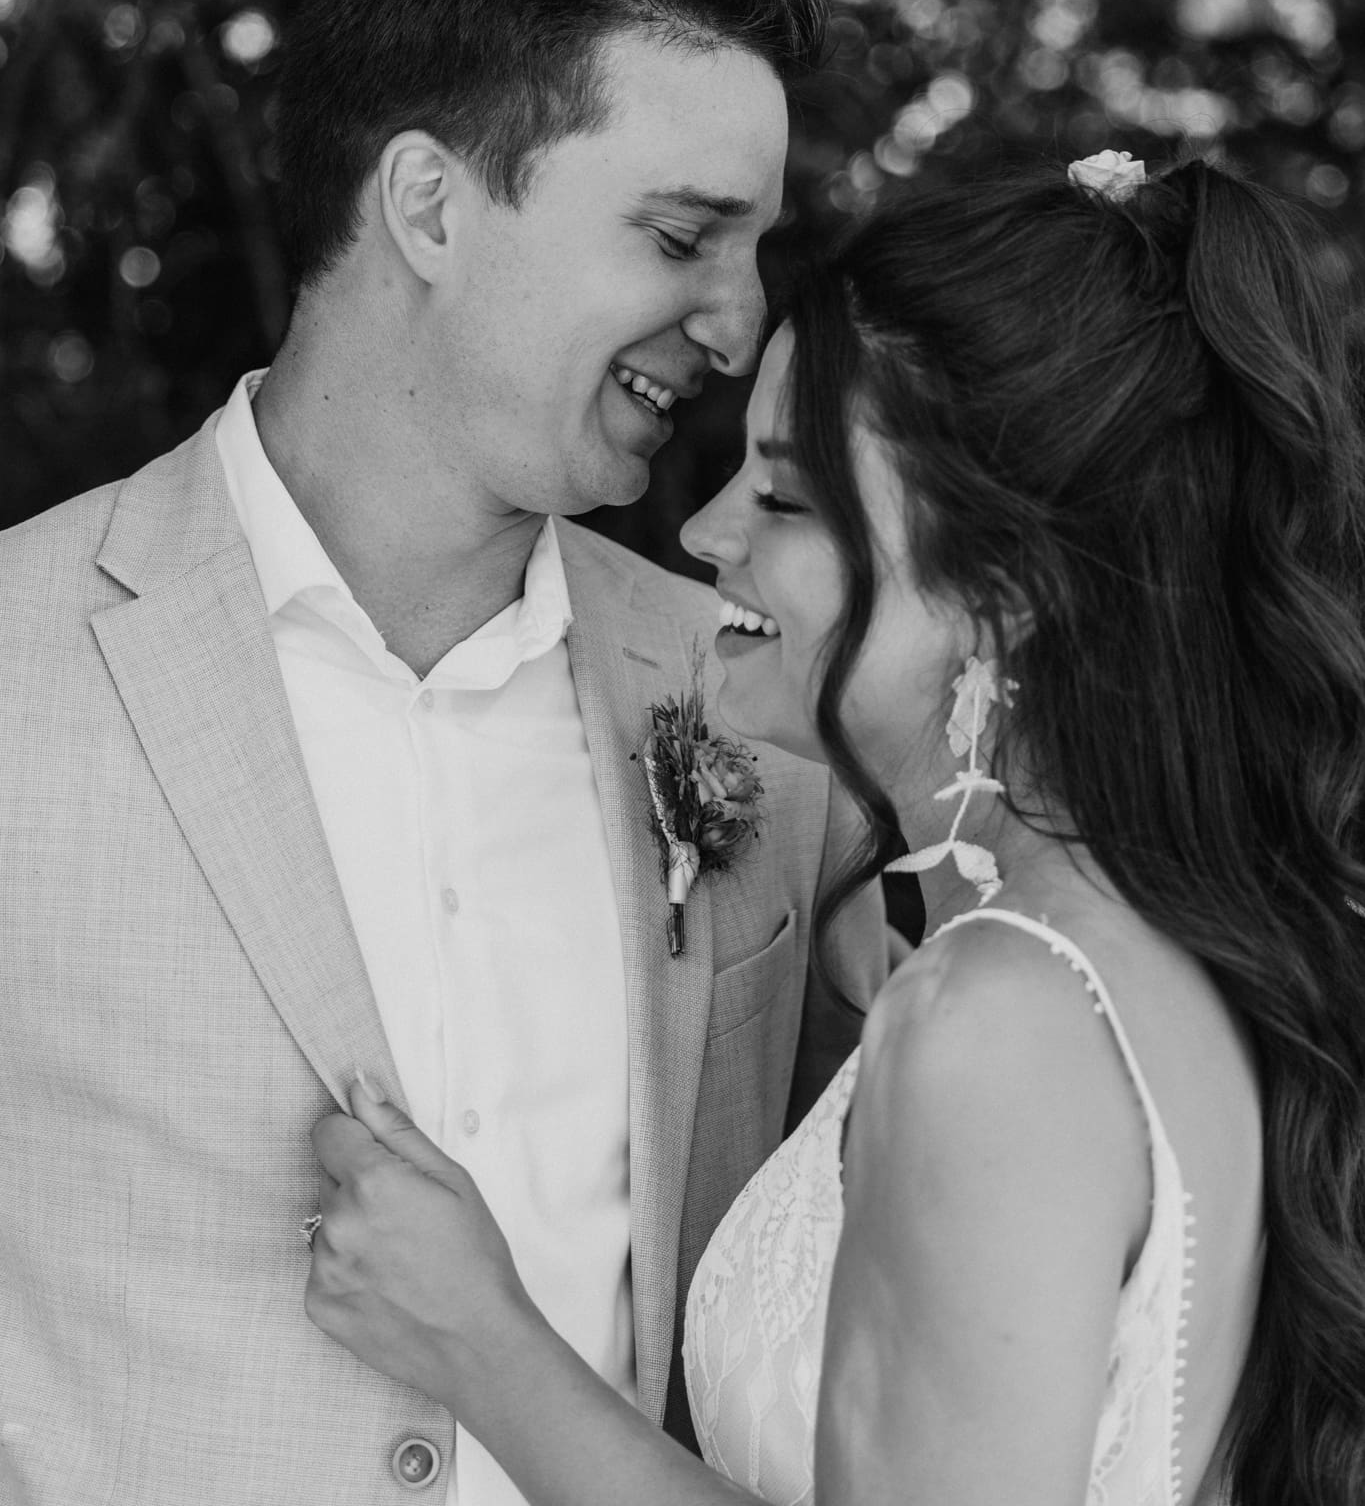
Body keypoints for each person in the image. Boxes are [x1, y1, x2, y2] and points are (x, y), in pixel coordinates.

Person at [0, 0, 887, 1506]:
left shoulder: (769, 704)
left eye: (754, 251)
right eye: (683, 234)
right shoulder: (14, 665)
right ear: (426, 204)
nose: (738, 319)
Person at [303, 150, 1365, 1506]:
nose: (701, 531)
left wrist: (482, 1347)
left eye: (787, 499)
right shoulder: (1153, 952)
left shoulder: (998, 1022)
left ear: (1006, 588)